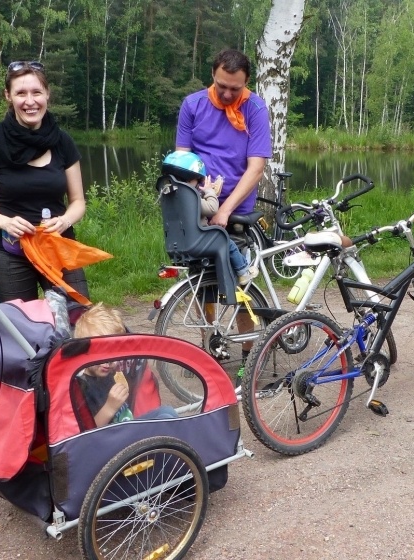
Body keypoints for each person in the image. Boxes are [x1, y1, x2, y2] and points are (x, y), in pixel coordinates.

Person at [175, 48, 272, 381]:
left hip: (237, 208)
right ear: (212, 75)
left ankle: (249, 355)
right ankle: (209, 346)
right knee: (203, 282)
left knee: (240, 286)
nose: (228, 94)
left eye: (236, 88)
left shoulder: (256, 109)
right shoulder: (192, 105)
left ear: (246, 83)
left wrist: (227, 209)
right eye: (221, 86)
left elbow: (256, 167)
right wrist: (197, 192)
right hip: (201, 202)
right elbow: (182, 158)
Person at [0, 60, 89, 304]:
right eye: (21, 93)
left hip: (58, 246)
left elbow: (78, 201)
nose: (30, 101)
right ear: (8, 96)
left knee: (77, 321)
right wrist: (6, 222)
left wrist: (65, 220)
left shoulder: (62, 141)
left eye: (36, 92)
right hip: (11, 253)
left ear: (47, 94)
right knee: (23, 331)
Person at [161, 150, 258, 285]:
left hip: (178, 242)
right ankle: (243, 271)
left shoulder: (171, 197)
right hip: (199, 239)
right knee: (227, 242)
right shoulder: (189, 197)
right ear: (189, 178)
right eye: (197, 180)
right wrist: (210, 192)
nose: (199, 184)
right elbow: (212, 209)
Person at [75, 303, 177, 427]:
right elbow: (86, 434)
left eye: (113, 354)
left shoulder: (111, 374)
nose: (108, 362)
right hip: (113, 441)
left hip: (128, 427)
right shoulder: (82, 387)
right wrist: (109, 408)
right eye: (100, 355)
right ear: (84, 352)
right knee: (164, 420)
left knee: (167, 412)